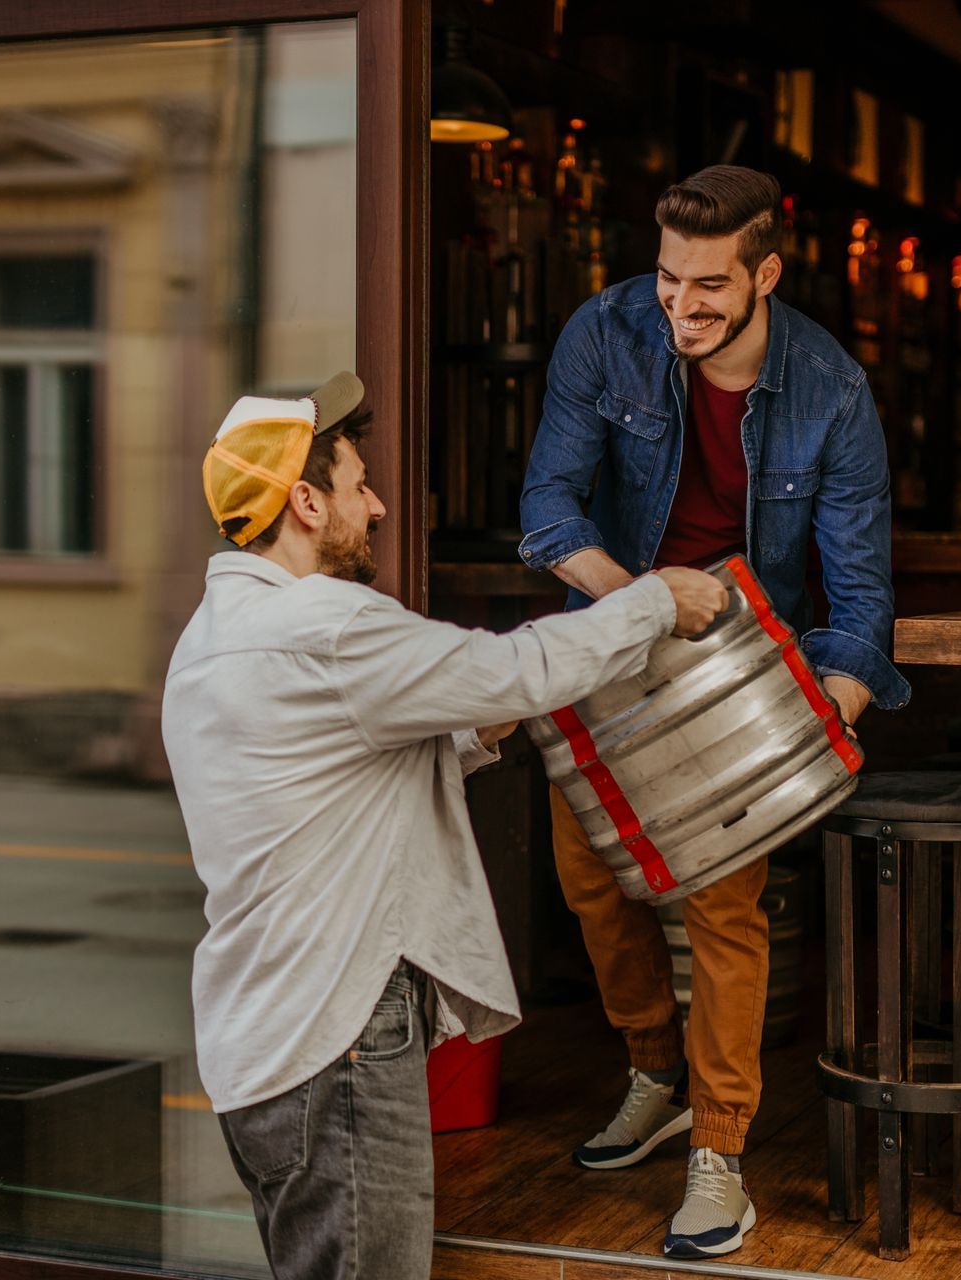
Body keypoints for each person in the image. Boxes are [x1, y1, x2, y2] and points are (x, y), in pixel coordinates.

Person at [161, 371, 729, 1280]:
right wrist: (657, 599)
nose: (379, 505)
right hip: (334, 1041)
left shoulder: (217, 635)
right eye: (357, 483)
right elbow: (514, 669)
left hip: (263, 1053)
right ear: (304, 502)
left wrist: (476, 718)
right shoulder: (324, 624)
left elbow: (344, 759)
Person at [518, 165, 907, 1258]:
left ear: (765, 273)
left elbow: (861, 585)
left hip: (738, 664)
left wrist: (823, 710)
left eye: (708, 289)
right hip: (610, 619)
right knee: (593, 880)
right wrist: (637, 601)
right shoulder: (605, 331)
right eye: (666, 279)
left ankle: (719, 1153)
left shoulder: (830, 389)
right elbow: (548, 503)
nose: (679, 308)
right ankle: (656, 1068)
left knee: (722, 908)